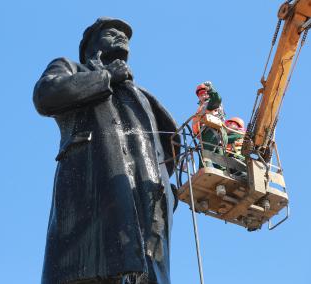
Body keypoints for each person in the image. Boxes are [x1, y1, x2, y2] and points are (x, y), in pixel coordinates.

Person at [33, 17, 180, 284]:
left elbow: (166, 153)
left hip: (145, 217)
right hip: (94, 193)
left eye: (125, 35)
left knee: (144, 272)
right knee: (92, 269)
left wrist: (168, 194)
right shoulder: (73, 68)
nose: (122, 37)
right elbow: (46, 94)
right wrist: (106, 77)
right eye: (112, 32)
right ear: (89, 45)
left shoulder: (143, 98)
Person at [191, 82, 227, 168]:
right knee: (220, 161)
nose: (202, 95)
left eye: (205, 93)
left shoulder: (210, 103)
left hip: (211, 132)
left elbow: (217, 99)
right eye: (200, 94)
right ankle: (223, 174)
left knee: (205, 156)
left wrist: (211, 89)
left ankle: (205, 174)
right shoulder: (203, 107)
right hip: (219, 134)